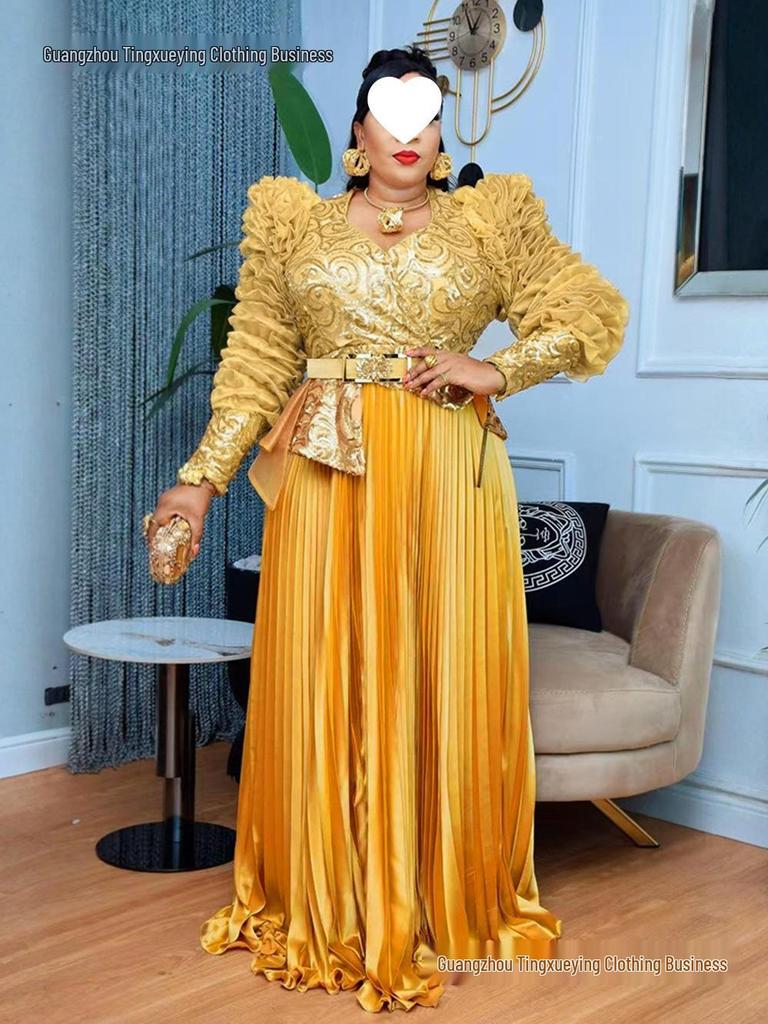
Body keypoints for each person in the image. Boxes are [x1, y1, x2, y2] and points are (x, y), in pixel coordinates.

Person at [147, 44, 629, 1014]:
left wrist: (500, 368)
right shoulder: (296, 226)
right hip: (329, 475)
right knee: (327, 667)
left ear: (440, 134)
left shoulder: (490, 223)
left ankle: (438, 892)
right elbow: (256, 365)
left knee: (441, 663)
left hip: (450, 473)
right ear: (359, 132)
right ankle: (327, 894)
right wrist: (199, 481)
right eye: (390, 114)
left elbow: (587, 310)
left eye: (428, 116)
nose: (410, 134)